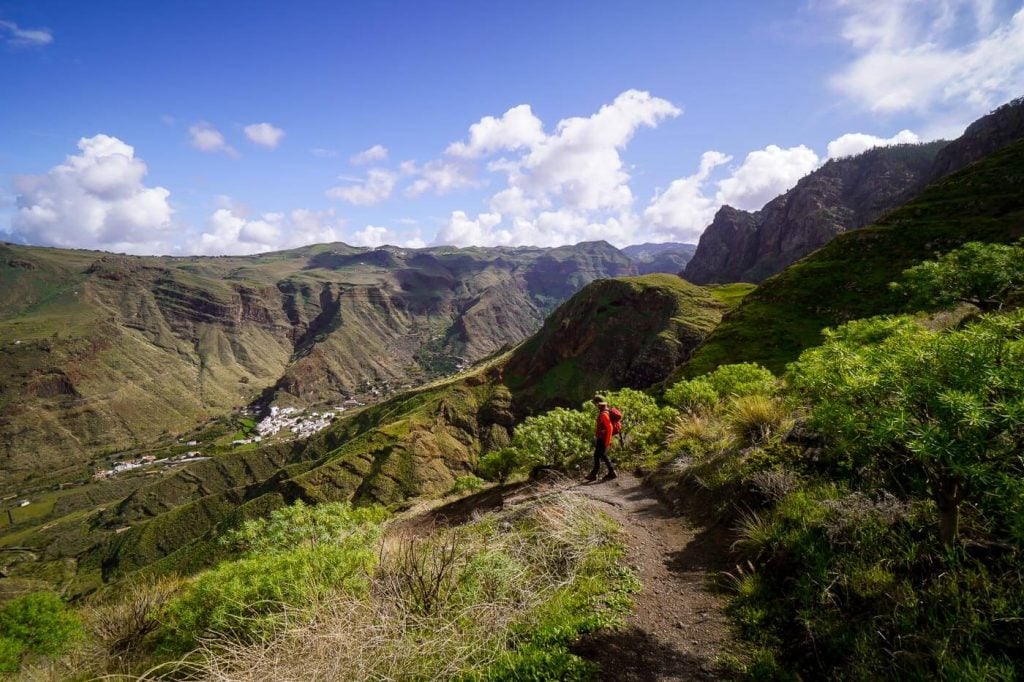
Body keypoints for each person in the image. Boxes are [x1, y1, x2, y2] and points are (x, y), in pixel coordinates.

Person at [585, 395, 617, 481]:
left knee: (597, 456)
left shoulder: (603, 414)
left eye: (595, 404)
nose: (595, 406)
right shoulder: (606, 410)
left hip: (603, 439)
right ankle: (611, 472)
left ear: (598, 404)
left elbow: (610, 427)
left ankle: (594, 475)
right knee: (602, 455)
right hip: (602, 438)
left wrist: (607, 441)